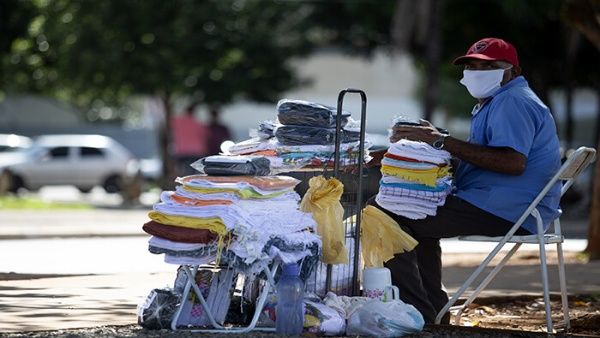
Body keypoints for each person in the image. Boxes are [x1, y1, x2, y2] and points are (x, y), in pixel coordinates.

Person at [368, 37, 562, 324]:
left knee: (381, 212)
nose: (477, 72)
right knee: (406, 213)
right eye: (471, 66)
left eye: (489, 66)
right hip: (504, 202)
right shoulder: (498, 101)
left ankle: (418, 313)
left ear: (514, 72)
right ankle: (431, 313)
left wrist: (440, 142)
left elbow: (512, 163)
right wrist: (408, 155)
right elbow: (482, 157)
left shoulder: (512, 102)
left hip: (507, 208)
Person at [170, 106, 208, 176]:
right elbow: (204, 136)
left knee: (181, 172)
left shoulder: (178, 121)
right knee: (195, 172)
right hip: (196, 151)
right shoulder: (198, 123)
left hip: (181, 151)